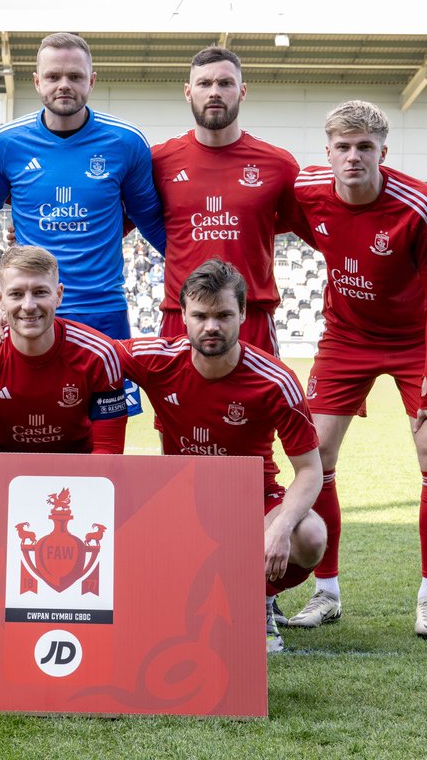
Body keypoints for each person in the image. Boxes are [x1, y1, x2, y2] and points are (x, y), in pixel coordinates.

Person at [288, 100, 427, 639]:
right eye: (344, 147)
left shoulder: (419, 205)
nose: (354, 156)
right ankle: (327, 591)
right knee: (316, 454)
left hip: (415, 341)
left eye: (365, 147)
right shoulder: (307, 191)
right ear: (329, 152)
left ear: (383, 152)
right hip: (346, 337)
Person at [114, 259, 326, 653]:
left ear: (243, 314)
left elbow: (310, 471)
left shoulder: (274, 380)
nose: (211, 326)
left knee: (310, 536)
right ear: (183, 317)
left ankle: (256, 601)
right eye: (201, 315)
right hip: (180, 502)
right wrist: (7, 323)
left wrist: (278, 530)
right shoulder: (156, 359)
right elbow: (88, 350)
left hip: (254, 504)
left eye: (224, 315)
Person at [0, 32, 165, 413]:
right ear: (37, 81)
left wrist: (204, 267)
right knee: (28, 429)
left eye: (74, 76)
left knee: (106, 438)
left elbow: (150, 220)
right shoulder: (7, 143)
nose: (64, 85)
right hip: (32, 312)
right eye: (54, 76)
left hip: (103, 313)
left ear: (92, 79)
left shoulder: (125, 142)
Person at [152, 46, 305, 354]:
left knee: (264, 403)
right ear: (188, 91)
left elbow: (309, 227)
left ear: (242, 91)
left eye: (225, 83)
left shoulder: (277, 164)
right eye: (204, 83)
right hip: (180, 318)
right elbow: (119, 221)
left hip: (251, 318)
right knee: (177, 403)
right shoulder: (158, 161)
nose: (214, 92)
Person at [0, 245, 126, 453]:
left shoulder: (99, 355)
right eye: (16, 294)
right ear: (0, 299)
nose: (29, 305)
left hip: (77, 468)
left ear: (59, 295)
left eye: (40, 292)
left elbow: (108, 454)